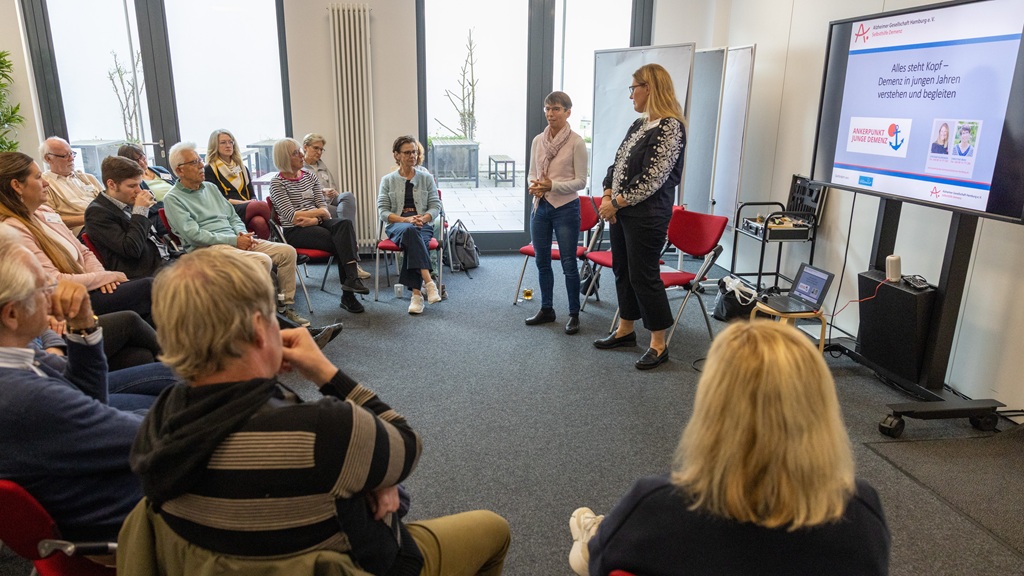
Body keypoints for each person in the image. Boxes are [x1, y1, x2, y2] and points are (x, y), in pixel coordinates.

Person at [130, 248, 510, 575]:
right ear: (262, 329)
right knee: (493, 530)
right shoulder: (324, 431)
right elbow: (406, 443)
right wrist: (327, 373)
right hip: (370, 564)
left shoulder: (159, 423)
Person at [572, 321, 891, 576]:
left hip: (629, 535)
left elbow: (601, 567)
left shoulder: (656, 507)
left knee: (585, 552)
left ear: (712, 405)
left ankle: (594, 530)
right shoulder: (859, 513)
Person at [0, 222, 176, 541]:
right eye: (44, 288)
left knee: (172, 397)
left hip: (93, 486)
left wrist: (82, 324)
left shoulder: (20, 359)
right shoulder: (23, 396)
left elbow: (91, 399)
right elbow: (156, 444)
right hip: (125, 513)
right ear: (11, 315)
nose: (53, 294)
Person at [594, 63, 686, 370]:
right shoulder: (639, 125)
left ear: (650, 88)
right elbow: (617, 165)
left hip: (647, 215)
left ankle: (659, 344)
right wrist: (608, 194)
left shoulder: (670, 126)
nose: (631, 95)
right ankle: (626, 329)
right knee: (622, 269)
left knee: (643, 276)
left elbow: (652, 179)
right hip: (621, 212)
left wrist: (615, 204)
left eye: (633, 88)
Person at [162, 141, 309, 327]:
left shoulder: (211, 188)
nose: (201, 165)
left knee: (287, 252)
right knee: (262, 261)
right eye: (194, 163)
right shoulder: (173, 199)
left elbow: (232, 216)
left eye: (199, 160)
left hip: (232, 240)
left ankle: (284, 308)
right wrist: (234, 240)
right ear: (179, 170)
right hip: (205, 250)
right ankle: (262, 320)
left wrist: (241, 235)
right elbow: (193, 235)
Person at [0, 152, 155, 323]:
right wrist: (105, 277)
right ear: (17, 185)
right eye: (38, 178)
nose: (46, 183)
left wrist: (101, 277)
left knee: (140, 341)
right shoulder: (12, 230)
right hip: (70, 301)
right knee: (149, 290)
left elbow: (85, 252)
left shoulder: (45, 212)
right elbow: (54, 281)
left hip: (92, 286)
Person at [270, 137, 369, 314]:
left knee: (344, 224)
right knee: (341, 241)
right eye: (296, 153)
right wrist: (317, 215)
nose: (302, 155)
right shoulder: (277, 183)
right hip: (295, 231)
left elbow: (324, 208)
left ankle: (351, 282)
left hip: (317, 223)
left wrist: (315, 218)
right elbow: (292, 217)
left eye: (300, 150)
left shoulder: (310, 176)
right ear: (285, 158)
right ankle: (349, 293)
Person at [524, 91, 588, 335]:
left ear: (568, 112)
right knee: (542, 262)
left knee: (569, 263)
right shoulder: (538, 140)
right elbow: (531, 172)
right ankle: (547, 309)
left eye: (556, 109)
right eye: (547, 109)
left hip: (566, 208)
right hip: (540, 206)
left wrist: (553, 186)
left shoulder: (576, 142)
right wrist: (535, 184)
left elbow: (581, 181)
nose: (550, 114)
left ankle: (573, 314)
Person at [377, 136, 443, 315]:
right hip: (398, 225)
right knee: (410, 231)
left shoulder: (426, 178)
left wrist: (425, 217)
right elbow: (383, 211)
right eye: (407, 152)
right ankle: (428, 283)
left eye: (414, 151)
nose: (412, 155)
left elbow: (436, 205)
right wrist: (406, 220)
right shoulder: (388, 180)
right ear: (396, 155)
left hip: (422, 224)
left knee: (412, 236)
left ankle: (416, 296)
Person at [84, 156, 172, 279]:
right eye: (132, 186)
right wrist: (140, 210)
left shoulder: (126, 201)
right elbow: (131, 250)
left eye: (140, 185)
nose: (139, 191)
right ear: (112, 184)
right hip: (144, 273)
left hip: (163, 259)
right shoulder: (97, 213)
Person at [203, 128, 273, 239]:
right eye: (223, 142)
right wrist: (247, 203)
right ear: (214, 145)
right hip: (227, 209)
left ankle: (265, 252)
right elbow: (218, 198)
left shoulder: (242, 167)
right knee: (261, 205)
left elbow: (251, 193)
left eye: (231, 142)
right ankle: (281, 234)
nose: (228, 145)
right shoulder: (209, 169)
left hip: (247, 207)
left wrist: (252, 200)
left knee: (259, 222)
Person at [38, 136, 102, 235]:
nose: (71, 158)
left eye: (72, 153)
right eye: (65, 156)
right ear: (48, 158)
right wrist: (90, 218)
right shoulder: (44, 184)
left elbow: (108, 202)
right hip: (83, 229)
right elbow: (50, 220)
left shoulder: (88, 178)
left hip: (105, 222)